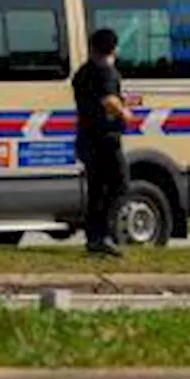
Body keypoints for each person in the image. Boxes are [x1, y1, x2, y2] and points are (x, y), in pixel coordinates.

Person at [71, 28, 136, 256]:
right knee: (120, 184)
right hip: (106, 139)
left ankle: (94, 237)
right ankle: (103, 234)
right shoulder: (106, 71)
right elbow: (109, 100)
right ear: (114, 48)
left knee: (96, 189)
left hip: (86, 137)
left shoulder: (82, 73)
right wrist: (125, 113)